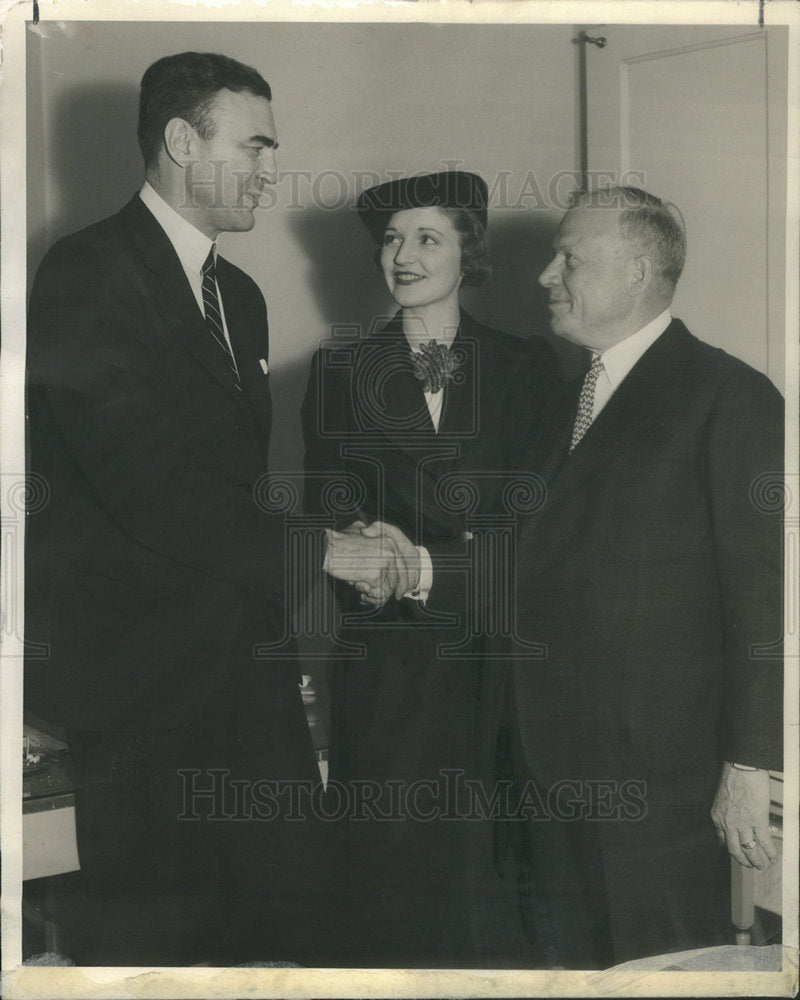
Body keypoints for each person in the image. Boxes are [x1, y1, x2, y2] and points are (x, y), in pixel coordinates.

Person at [25, 51, 338, 966]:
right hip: (143, 686)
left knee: (296, 922)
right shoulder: (86, 272)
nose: (269, 169)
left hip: (247, 663)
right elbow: (149, 489)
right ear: (177, 140)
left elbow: (234, 488)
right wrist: (319, 552)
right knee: (156, 950)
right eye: (253, 145)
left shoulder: (239, 294)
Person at [501, 186, 783, 967]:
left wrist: (752, 762)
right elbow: (538, 566)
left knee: (664, 973)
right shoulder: (566, 402)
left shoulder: (732, 398)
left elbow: (762, 589)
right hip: (550, 770)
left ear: (637, 272)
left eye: (569, 258)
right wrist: (419, 566)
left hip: (662, 785)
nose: (545, 275)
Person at [303, 170, 562, 966]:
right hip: (389, 661)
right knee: (394, 880)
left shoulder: (530, 365)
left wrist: (454, 558)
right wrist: (361, 542)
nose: (403, 255)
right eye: (390, 239)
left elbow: (544, 517)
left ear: (467, 253)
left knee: (492, 885)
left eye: (427, 238)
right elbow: (322, 506)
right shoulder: (339, 371)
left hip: (496, 658)